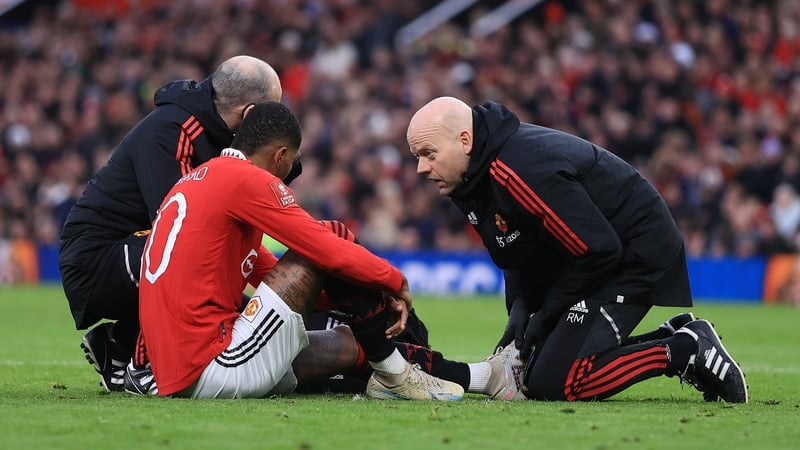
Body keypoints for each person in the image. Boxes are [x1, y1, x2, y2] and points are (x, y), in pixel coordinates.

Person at [134, 101, 519, 400]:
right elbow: (323, 249)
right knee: (329, 234)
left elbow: (263, 269)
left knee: (356, 346)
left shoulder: (197, 180)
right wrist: (391, 280)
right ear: (281, 156)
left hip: (174, 369)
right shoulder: (245, 179)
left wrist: (354, 296)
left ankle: (479, 376)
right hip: (214, 363)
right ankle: (399, 376)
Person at [405, 96, 748, 403]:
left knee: (555, 382)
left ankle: (688, 348)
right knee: (535, 370)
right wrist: (521, 307)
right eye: (417, 157)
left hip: (634, 253)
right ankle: (670, 334)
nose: (422, 168)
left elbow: (599, 250)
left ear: (465, 141)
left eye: (428, 154)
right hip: (591, 257)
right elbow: (517, 245)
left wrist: (548, 313)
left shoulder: (517, 169)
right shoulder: (471, 176)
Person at [58, 55, 301, 391]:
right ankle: (143, 365)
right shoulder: (172, 130)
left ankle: (119, 344)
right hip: (97, 258)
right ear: (248, 114)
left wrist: (274, 281)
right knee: (193, 258)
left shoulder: (220, 139)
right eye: (268, 113)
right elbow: (179, 229)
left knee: (236, 310)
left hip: (135, 248)